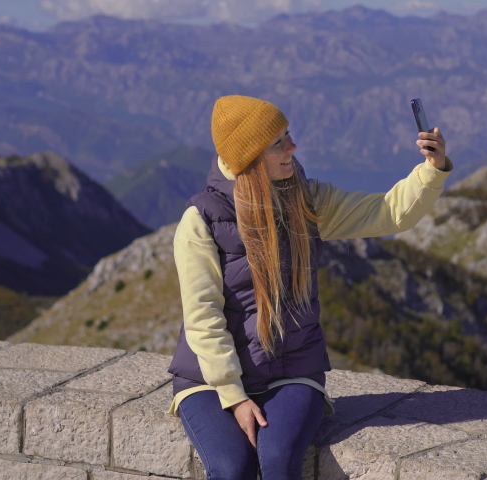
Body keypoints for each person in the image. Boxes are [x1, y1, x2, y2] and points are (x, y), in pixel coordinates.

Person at [167, 95, 453, 480]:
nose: (292, 148)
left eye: (288, 135)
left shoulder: (306, 198)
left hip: (291, 371)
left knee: (280, 464)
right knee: (231, 468)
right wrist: (234, 397)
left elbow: (387, 212)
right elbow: (204, 318)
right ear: (250, 157)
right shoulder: (200, 221)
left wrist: (432, 170)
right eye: (278, 143)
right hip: (209, 380)